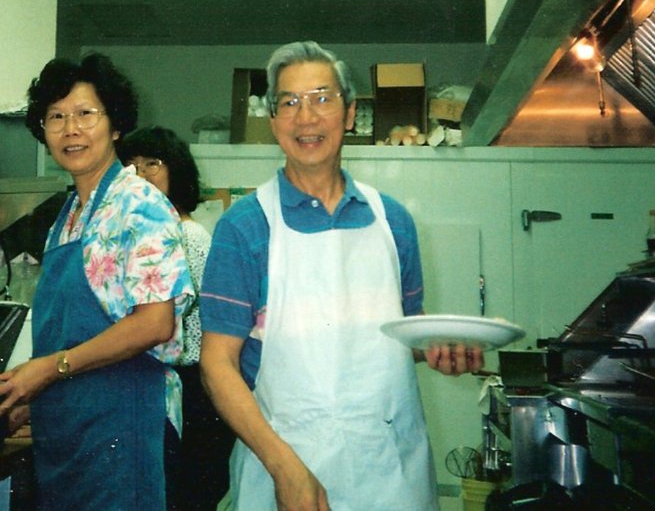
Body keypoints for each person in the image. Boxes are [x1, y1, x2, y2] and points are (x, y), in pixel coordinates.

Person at [199, 41, 483, 511]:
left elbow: (405, 331)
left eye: (322, 98)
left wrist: (439, 345)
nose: (305, 117)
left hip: (391, 471)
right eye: (288, 102)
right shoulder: (245, 227)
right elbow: (217, 364)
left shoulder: (392, 220)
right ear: (273, 121)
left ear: (349, 114)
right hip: (286, 468)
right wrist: (283, 468)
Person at [0, 53, 195, 511]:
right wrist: (36, 395)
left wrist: (51, 369)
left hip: (123, 423)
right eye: (55, 117)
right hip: (69, 429)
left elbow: (156, 323)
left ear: (116, 125)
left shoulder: (139, 204)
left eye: (85, 114)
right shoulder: (67, 217)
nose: (70, 129)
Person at [119, 126, 237, 510]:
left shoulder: (188, 236)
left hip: (195, 390)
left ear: (177, 171)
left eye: (152, 163)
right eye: (130, 165)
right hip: (165, 388)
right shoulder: (143, 234)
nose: (140, 175)